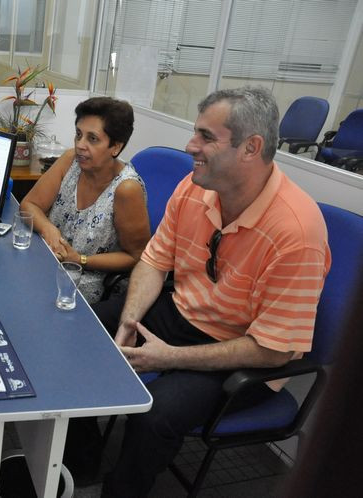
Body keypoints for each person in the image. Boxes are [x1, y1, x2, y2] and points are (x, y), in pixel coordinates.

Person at [88, 86, 330, 497]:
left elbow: (272, 349)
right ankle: (78, 459)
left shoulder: (297, 232)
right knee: (86, 328)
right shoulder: (195, 186)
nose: (190, 146)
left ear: (250, 148)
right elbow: (153, 260)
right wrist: (130, 319)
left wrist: (170, 357)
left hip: (243, 354)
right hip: (183, 315)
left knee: (156, 414)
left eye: (206, 136)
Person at [19, 97, 150, 304]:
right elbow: (29, 205)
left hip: (85, 284)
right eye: (78, 135)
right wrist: (48, 229)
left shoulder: (126, 189)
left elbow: (137, 257)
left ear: (115, 147)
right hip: (47, 264)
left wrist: (80, 260)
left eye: (93, 139)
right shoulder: (70, 160)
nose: (80, 145)